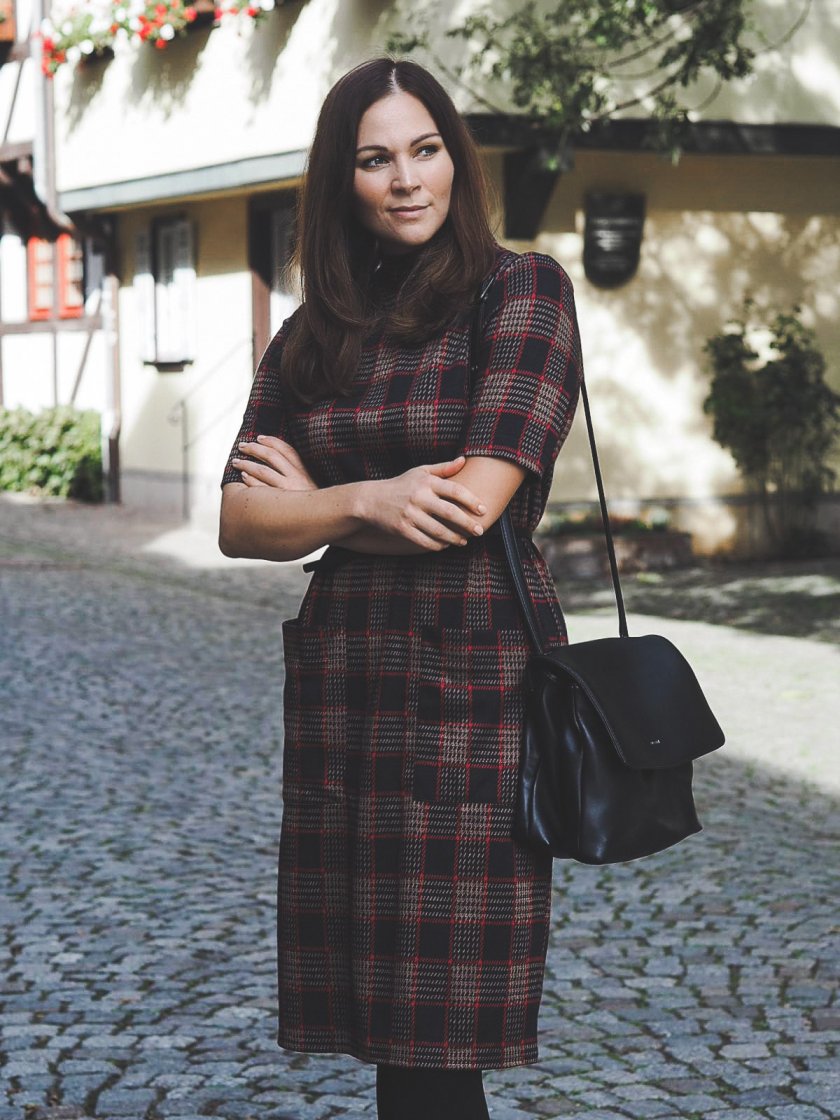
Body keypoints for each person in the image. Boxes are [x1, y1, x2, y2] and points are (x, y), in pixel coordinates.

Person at [219, 57, 583, 1120]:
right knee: (389, 1023)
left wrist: (322, 501)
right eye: (375, 159)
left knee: (442, 1026)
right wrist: (369, 500)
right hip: (347, 690)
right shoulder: (312, 333)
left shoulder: (520, 293)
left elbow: (472, 504)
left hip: (472, 684)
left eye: (425, 150)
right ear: (342, 181)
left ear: (456, 162)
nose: (406, 178)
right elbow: (239, 521)